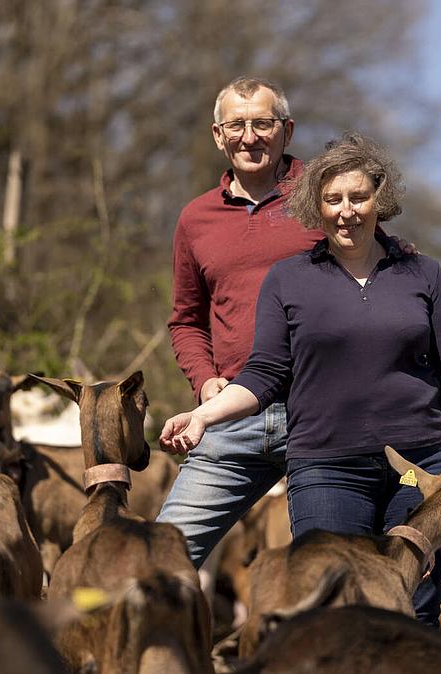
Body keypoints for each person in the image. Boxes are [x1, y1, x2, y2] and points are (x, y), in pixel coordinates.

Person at [160, 132, 441, 626]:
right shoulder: (289, 279)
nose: (346, 211)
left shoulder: (424, 274)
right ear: (316, 205)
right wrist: (202, 415)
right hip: (327, 468)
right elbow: (264, 374)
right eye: (333, 199)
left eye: (359, 196)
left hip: (420, 469)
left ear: (382, 198)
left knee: (414, 614)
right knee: (331, 614)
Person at [156, 76, 321, 570]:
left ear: (286, 131)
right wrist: (206, 383)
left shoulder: (324, 198)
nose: (250, 137)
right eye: (237, 125)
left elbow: (380, 275)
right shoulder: (195, 219)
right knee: (160, 562)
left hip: (319, 415)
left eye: (263, 124)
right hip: (231, 417)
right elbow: (185, 321)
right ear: (217, 134)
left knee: (329, 571)